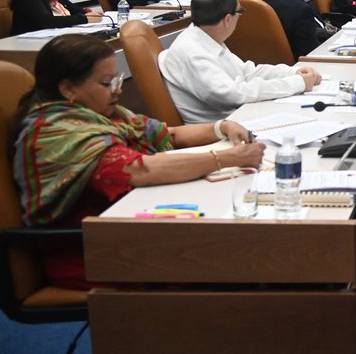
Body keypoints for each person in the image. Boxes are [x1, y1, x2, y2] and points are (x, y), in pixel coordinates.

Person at [13, 34, 264, 288]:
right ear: (68, 88)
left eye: (117, 80)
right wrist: (224, 158)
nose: (118, 90)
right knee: (241, 254)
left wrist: (222, 127)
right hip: (92, 249)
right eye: (106, 83)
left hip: (129, 227)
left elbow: (169, 134)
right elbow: (136, 170)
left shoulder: (103, 116)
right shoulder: (56, 132)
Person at [160, 0, 323, 123]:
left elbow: (247, 72)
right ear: (228, 19)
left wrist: (292, 71)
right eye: (240, 12)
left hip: (236, 117)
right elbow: (234, 95)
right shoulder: (193, 52)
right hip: (218, 131)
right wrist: (297, 83)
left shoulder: (206, 36)